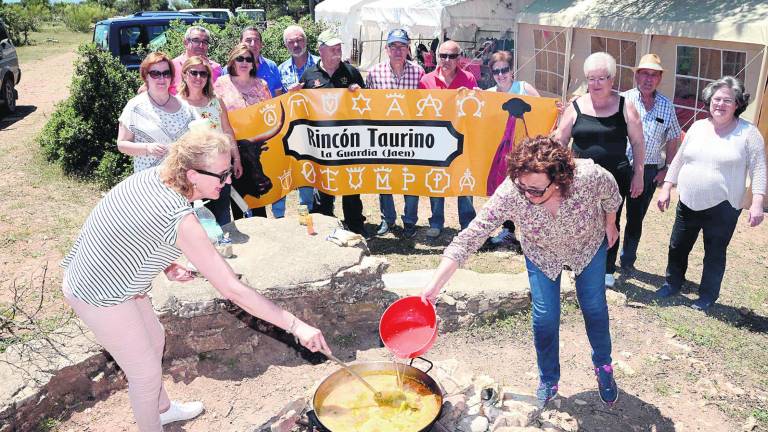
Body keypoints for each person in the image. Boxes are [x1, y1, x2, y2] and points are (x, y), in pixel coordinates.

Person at [61, 129, 330, 431]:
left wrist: (167, 265)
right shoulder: (180, 218)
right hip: (98, 293)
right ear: (191, 174)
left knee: (156, 338)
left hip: (118, 281)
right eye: (223, 174)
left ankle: (162, 409)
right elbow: (233, 289)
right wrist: (296, 325)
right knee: (144, 375)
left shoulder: (157, 179)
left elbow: (134, 233)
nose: (229, 181)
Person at [421, 136, 622, 408]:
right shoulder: (512, 191)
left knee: (594, 306)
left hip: (587, 245)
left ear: (559, 177)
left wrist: (610, 223)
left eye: (537, 190)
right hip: (541, 254)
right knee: (544, 317)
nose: (529, 195)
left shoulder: (587, 177)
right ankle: (548, 379)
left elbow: (612, 193)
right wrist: (435, 284)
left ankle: (603, 366)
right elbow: (471, 236)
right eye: (524, 187)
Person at [656, 76, 766, 311]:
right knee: (678, 246)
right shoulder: (698, 127)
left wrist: (757, 203)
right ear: (709, 101)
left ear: (737, 104)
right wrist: (667, 186)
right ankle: (672, 283)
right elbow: (679, 159)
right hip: (687, 200)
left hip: (724, 206)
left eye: (728, 100)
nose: (720, 104)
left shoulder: (749, 133)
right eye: (717, 99)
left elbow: (759, 169)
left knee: (714, 253)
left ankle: (707, 296)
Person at [553, 52, 645, 288]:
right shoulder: (575, 106)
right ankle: (574, 263)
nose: (595, 84)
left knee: (610, 220)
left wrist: (639, 174)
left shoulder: (626, 106)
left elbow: (637, 142)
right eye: (590, 79)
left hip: (615, 177)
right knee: (576, 220)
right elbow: (561, 140)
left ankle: (607, 268)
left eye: (601, 78)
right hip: (579, 179)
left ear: (612, 79)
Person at [299, 29, 368, 238]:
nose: (337, 51)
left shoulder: (351, 72)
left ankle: (356, 224)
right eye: (332, 48)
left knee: (351, 185)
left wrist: (359, 93)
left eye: (339, 47)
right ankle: (326, 224)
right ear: (321, 50)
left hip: (349, 139)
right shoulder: (309, 74)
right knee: (324, 184)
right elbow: (301, 105)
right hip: (321, 142)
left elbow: (366, 103)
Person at [619, 54, 682, 269]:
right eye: (645, 73)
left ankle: (627, 261)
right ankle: (606, 261)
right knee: (611, 214)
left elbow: (674, 136)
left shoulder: (666, 105)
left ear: (660, 78)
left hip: (648, 170)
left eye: (654, 75)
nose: (649, 78)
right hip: (621, 166)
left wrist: (667, 169)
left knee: (636, 219)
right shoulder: (622, 99)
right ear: (637, 75)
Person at [366, 29, 425, 239]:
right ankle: (387, 219)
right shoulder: (374, 72)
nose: (398, 50)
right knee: (384, 177)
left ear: (408, 48)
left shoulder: (419, 72)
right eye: (393, 46)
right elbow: (367, 102)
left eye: (402, 46)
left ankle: (410, 221)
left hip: (411, 134)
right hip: (384, 134)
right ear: (386, 49)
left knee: (411, 178)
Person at [418, 40, 477, 239]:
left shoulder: (469, 78)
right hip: (435, 139)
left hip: (463, 138)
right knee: (436, 181)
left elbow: (476, 107)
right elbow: (419, 110)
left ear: (459, 58)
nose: (447, 60)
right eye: (443, 56)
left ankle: (467, 223)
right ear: (437, 57)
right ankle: (436, 222)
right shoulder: (426, 80)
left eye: (452, 56)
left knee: (465, 180)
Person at [485, 50, 541, 249]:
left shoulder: (523, 88)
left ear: (512, 70)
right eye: (496, 71)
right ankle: (508, 231)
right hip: (502, 152)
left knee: (528, 191)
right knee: (504, 191)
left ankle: (532, 236)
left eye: (504, 70)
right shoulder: (489, 95)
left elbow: (541, 110)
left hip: (526, 152)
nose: (501, 74)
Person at [178, 56, 243, 226]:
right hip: (192, 175)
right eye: (194, 73)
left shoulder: (216, 101)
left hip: (219, 171)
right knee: (193, 222)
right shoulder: (176, 104)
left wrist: (236, 159)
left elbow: (228, 131)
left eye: (203, 74)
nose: (199, 78)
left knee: (222, 218)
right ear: (184, 74)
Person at [214, 43, 272, 219]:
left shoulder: (261, 85)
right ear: (232, 61)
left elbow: (269, 112)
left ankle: (262, 229)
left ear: (254, 63)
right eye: (240, 58)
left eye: (249, 59)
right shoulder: (221, 84)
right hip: (232, 147)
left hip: (254, 149)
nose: (244, 62)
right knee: (239, 196)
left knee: (259, 196)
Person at [118, 52, 196, 173]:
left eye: (166, 73)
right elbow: (122, 145)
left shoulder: (185, 107)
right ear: (146, 76)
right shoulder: (135, 107)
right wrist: (147, 148)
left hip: (180, 180)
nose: (161, 78)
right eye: (155, 74)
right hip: (148, 180)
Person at [240, 26, 287, 218]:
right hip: (241, 138)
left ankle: (278, 217)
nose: (252, 44)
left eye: (256, 40)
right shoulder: (228, 70)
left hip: (265, 133)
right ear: (240, 42)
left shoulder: (271, 67)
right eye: (248, 40)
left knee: (274, 171)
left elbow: (277, 98)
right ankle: (248, 218)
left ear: (261, 43)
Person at [278, 24, 319, 212]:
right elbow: (277, 100)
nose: (296, 44)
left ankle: (311, 211)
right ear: (286, 45)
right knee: (293, 169)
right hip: (291, 129)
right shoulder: (281, 69)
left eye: (299, 39)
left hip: (316, 128)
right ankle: (293, 215)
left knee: (313, 171)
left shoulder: (320, 64)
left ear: (306, 40)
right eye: (291, 41)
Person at [169, 26, 222, 95]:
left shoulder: (216, 68)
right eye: (196, 41)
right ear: (185, 42)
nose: (201, 45)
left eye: (205, 42)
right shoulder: (172, 66)